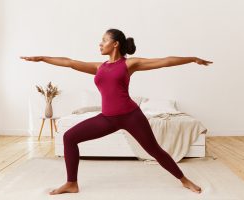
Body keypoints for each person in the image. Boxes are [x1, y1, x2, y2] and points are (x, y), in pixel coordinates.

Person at [21, 28, 212, 195]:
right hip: (107, 118)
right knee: (69, 137)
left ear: (115, 44)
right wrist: (43, 58)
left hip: (131, 116)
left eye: (104, 40)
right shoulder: (99, 67)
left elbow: (164, 61)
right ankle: (72, 183)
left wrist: (192, 59)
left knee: (154, 150)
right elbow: (70, 62)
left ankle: (184, 180)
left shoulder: (129, 64)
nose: (100, 43)